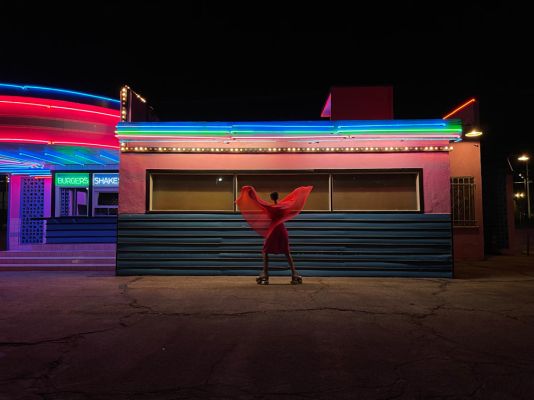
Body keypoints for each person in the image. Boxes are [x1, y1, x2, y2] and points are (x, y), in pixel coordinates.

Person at [236, 185, 313, 285]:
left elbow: (260, 202)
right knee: (286, 252)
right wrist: (301, 192)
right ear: (278, 197)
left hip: (273, 230)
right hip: (281, 230)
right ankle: (294, 274)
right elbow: (293, 201)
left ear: (271, 198)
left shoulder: (270, 208)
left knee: (265, 251)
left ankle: (265, 274)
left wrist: (251, 194)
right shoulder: (283, 206)